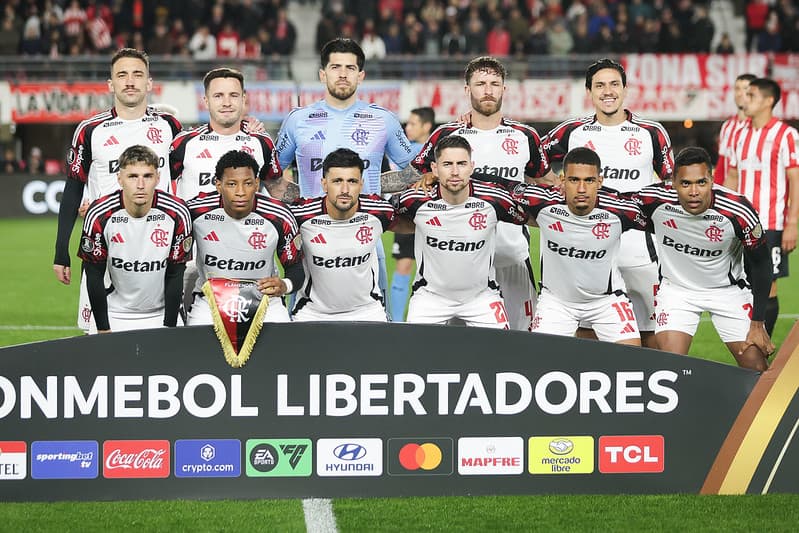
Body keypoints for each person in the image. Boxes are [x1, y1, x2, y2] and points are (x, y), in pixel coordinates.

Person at [543, 58, 674, 349]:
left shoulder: (651, 132)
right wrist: (556, 184)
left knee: (651, 334)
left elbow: (672, 187)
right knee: (589, 335)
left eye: (614, 84)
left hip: (640, 251)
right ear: (589, 91)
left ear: (625, 89)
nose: (608, 91)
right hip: (590, 253)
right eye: (599, 85)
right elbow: (530, 157)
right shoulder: (573, 131)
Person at [412, 56, 549, 332]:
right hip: (454, 264)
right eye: (480, 83)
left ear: (504, 89)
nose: (488, 90)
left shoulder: (525, 136)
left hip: (511, 256)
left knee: (521, 341)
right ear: (467, 90)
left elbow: (547, 183)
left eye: (494, 83)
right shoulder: (446, 135)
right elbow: (416, 180)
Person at [274, 37, 415, 303]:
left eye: (350, 68)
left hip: (366, 238)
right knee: (306, 324)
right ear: (322, 73)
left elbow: (414, 172)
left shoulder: (383, 119)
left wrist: (373, 184)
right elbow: (271, 175)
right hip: (311, 239)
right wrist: (300, 201)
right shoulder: (298, 120)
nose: (342, 74)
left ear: (361, 75)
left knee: (371, 327)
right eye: (335, 66)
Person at [54, 48, 182, 333]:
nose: (130, 81)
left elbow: (191, 171)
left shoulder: (169, 126)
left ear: (149, 83)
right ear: (111, 84)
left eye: (138, 74)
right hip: (106, 245)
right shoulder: (90, 129)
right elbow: (73, 188)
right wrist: (61, 250)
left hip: (158, 244)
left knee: (165, 334)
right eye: (122, 75)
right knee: (99, 337)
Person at [484, 147, 645, 345]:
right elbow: (501, 186)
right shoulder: (543, 202)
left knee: (633, 360)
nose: (582, 189)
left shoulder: (619, 209)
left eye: (589, 180)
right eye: (574, 180)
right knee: (541, 365)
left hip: (606, 301)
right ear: (562, 181)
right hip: (557, 303)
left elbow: (662, 210)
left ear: (600, 182)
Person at [637, 147, 772, 371]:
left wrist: (757, 323)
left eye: (701, 182)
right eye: (686, 184)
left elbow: (762, 264)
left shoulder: (737, 210)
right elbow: (612, 203)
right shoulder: (653, 200)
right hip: (677, 292)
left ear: (712, 179)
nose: (694, 191)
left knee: (757, 369)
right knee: (669, 368)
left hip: (727, 292)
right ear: (672, 182)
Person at [394, 135, 528, 328]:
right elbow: (385, 219)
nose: (455, 171)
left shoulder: (495, 199)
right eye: (447, 164)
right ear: (434, 169)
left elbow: (534, 218)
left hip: (481, 297)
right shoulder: (414, 199)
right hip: (430, 298)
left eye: (462, 164)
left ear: (472, 167)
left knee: (500, 354)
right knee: (416, 355)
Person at [77, 145, 191, 333]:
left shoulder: (177, 212)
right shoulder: (99, 213)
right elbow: (94, 275)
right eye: (132, 177)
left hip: (161, 313)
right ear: (119, 179)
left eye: (147, 176)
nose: (140, 185)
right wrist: (103, 329)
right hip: (114, 313)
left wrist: (169, 328)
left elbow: (175, 274)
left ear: (157, 178)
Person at [186, 150, 303, 326]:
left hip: (266, 301)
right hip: (209, 302)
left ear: (257, 184)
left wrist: (284, 285)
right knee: (197, 349)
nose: (240, 192)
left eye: (247, 183)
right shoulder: (195, 211)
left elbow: (295, 268)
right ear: (218, 185)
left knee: (284, 348)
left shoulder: (280, 216)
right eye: (232, 184)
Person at [287, 148, 401, 321]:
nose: (345, 189)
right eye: (337, 181)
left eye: (352, 181)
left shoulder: (379, 212)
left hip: (368, 312)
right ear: (324, 184)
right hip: (312, 314)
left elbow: (415, 223)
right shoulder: (300, 216)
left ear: (361, 184)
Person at [724, 77, 799, 337]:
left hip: (771, 222)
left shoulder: (787, 135)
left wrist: (791, 223)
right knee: (744, 284)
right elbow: (732, 176)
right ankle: (749, 339)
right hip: (740, 224)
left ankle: (762, 343)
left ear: (769, 101)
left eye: (752, 95)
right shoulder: (739, 133)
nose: (745, 99)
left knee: (769, 285)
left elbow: (795, 179)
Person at [390, 106, 435, 322]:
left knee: (436, 267)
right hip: (408, 215)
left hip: (434, 216)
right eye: (407, 123)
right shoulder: (401, 151)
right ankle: (397, 321)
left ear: (427, 126)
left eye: (413, 124)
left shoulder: (437, 151)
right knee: (404, 265)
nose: (407, 128)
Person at [714, 73, 756, 185]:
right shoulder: (727, 126)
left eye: (745, 89)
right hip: (731, 194)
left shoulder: (757, 127)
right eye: (737, 89)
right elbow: (721, 165)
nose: (740, 93)